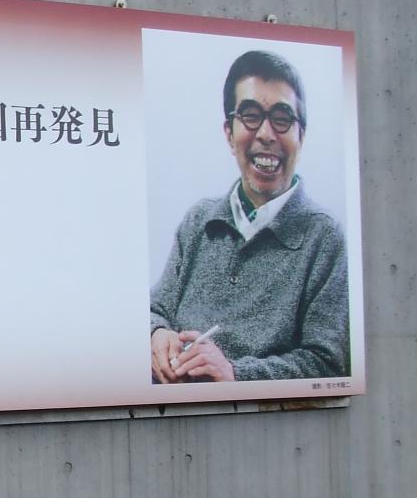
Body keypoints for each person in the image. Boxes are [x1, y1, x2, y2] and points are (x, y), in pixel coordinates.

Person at [149, 50, 349, 383]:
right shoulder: (199, 221)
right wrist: (157, 333)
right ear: (229, 133)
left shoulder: (324, 237)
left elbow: (328, 363)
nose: (266, 134)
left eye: (282, 118)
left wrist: (234, 373)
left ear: (301, 136)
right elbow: (155, 309)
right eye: (251, 116)